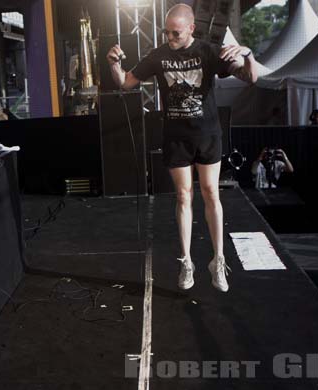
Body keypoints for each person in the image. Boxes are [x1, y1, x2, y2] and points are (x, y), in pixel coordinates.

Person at [107, 4, 258, 292]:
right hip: (176, 137)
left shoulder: (208, 52)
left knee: (211, 193)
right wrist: (114, 63)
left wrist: (247, 54)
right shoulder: (159, 55)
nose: (170, 37)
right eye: (166, 32)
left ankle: (218, 260)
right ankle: (186, 261)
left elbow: (250, 78)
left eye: (176, 33)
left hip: (207, 134)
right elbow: (126, 82)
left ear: (190, 28)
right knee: (183, 195)